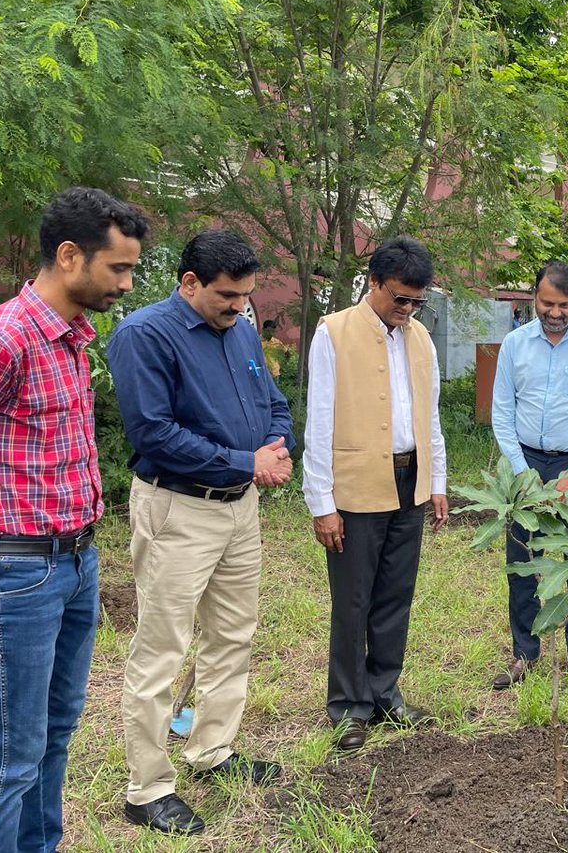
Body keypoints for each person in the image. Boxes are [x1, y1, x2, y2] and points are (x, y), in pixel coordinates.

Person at [107, 229, 294, 836]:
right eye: (226, 297)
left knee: (233, 635)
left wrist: (277, 444)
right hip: (176, 510)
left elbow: (272, 401)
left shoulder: (239, 329)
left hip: (239, 510)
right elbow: (154, 435)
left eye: (245, 297)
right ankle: (147, 788)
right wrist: (249, 463)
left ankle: (212, 750)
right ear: (189, 284)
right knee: (162, 647)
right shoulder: (144, 335)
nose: (240, 308)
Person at [0, 187, 146, 852]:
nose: (128, 284)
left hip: (78, 564)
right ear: (71, 255)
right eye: (118, 268)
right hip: (19, 570)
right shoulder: (5, 337)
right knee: (8, 757)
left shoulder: (73, 336)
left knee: (54, 735)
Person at [302, 236, 449, 753]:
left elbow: (429, 416)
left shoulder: (421, 339)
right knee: (354, 599)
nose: (407, 310)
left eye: (416, 301)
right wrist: (321, 502)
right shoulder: (334, 333)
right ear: (374, 283)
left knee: (394, 595)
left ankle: (385, 692)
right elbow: (319, 421)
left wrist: (438, 482)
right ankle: (348, 706)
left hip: (410, 481)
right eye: (399, 299)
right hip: (357, 483)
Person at [490, 260, 568, 695]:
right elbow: (502, 415)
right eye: (548, 303)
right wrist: (523, 473)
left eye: (565, 304)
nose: (556, 312)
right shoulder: (513, 345)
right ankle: (524, 653)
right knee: (522, 562)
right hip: (526, 467)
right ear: (534, 297)